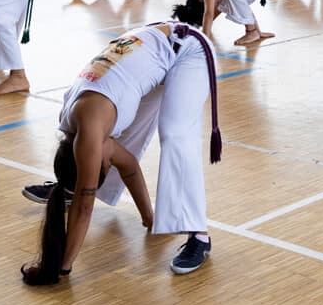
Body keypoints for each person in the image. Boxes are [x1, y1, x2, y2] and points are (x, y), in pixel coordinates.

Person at [18, 20, 221, 284]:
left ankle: (199, 237)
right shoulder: (75, 124)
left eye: (105, 165)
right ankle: (73, 187)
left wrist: (62, 267)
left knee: (175, 134)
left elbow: (84, 208)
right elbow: (130, 167)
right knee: (126, 138)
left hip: (188, 49)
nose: (111, 161)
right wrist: (149, 218)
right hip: (151, 45)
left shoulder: (91, 128)